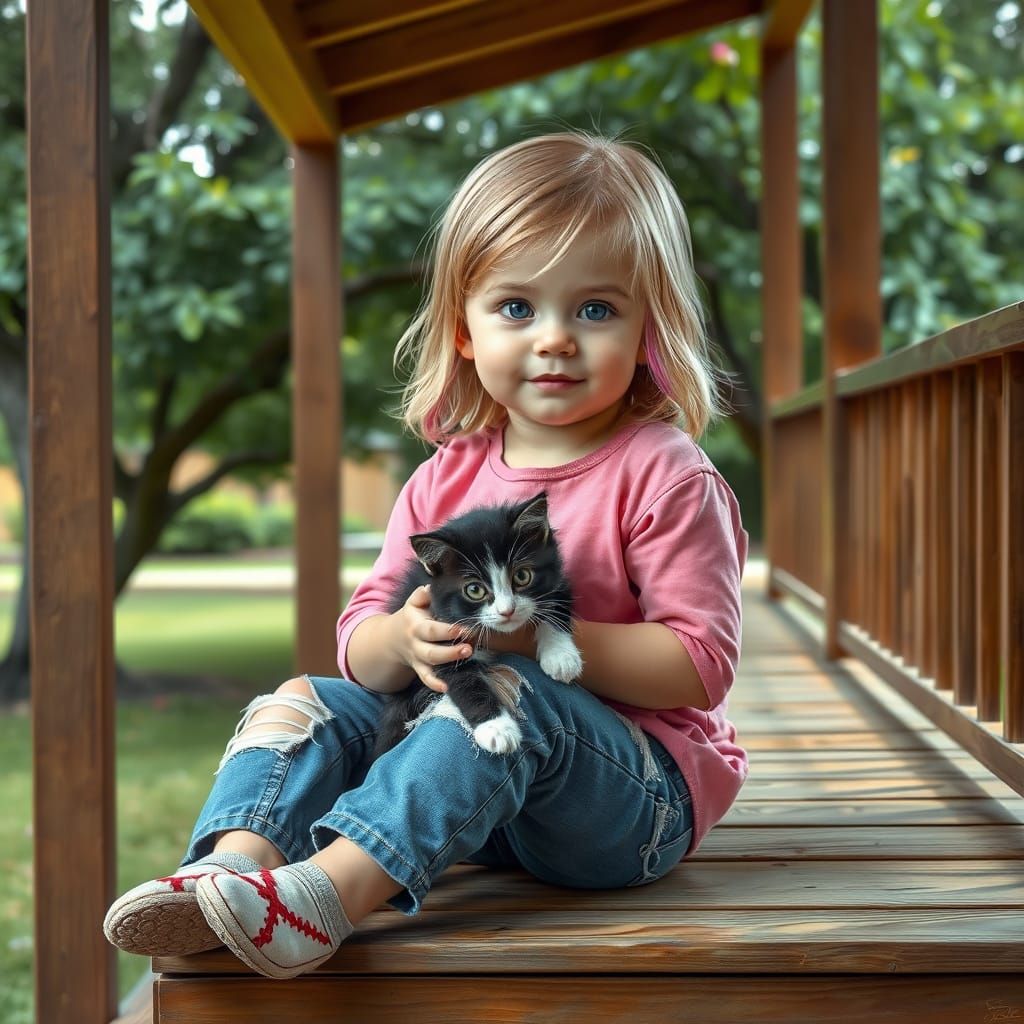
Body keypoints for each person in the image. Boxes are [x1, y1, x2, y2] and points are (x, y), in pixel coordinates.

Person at [104, 131, 749, 980]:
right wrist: (402, 642)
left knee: (513, 692)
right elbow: (361, 640)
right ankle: (231, 868)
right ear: (467, 331)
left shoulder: (663, 472)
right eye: (518, 308)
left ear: (647, 330)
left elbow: (698, 666)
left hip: (630, 807)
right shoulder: (445, 478)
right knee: (309, 698)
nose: (554, 339)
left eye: (595, 309)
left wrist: (523, 640)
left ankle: (322, 899)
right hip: (483, 800)